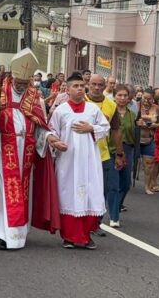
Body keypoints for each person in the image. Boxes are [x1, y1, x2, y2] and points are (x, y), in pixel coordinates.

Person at [0, 49, 61, 251]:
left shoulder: (35, 98)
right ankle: (5, 234)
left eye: (25, 82)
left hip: (27, 150)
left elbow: (41, 127)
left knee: (24, 190)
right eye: (19, 81)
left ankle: (20, 232)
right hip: (3, 150)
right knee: (5, 190)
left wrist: (50, 137)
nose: (21, 85)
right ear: (12, 76)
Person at [50, 74, 110, 249]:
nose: (79, 89)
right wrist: (55, 142)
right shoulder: (60, 110)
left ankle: (86, 235)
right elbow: (51, 130)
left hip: (89, 160)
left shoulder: (93, 109)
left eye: (82, 86)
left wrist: (91, 128)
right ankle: (69, 236)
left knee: (91, 194)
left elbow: (105, 127)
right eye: (75, 86)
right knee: (68, 195)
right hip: (68, 160)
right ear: (67, 90)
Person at [86, 74, 120, 229]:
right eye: (94, 84)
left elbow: (116, 130)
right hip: (82, 154)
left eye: (100, 85)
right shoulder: (80, 101)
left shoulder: (111, 105)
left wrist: (120, 153)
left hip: (102, 154)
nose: (97, 88)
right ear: (88, 84)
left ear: (105, 86)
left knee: (101, 190)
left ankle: (96, 223)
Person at [113, 84, 137, 227]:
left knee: (126, 182)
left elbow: (134, 134)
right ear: (114, 97)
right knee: (113, 182)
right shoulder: (109, 111)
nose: (122, 98)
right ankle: (114, 212)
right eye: (119, 95)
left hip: (128, 148)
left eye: (125, 96)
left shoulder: (132, 115)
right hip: (112, 149)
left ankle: (116, 205)